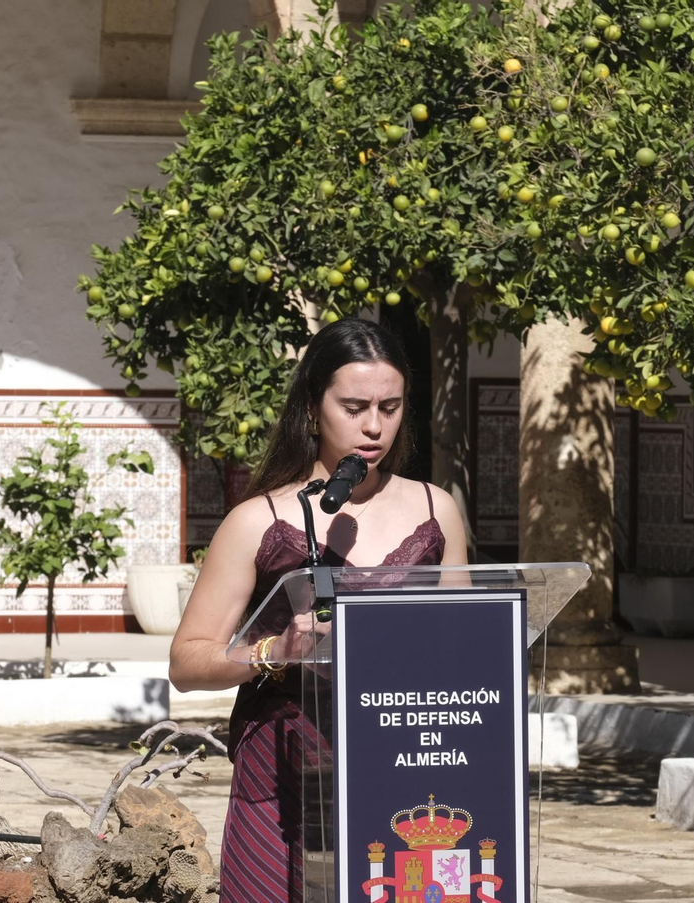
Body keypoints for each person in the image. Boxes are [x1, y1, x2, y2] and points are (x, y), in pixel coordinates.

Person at [169, 318, 468, 902]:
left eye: (390, 407)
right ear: (312, 408)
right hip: (282, 772)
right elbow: (185, 662)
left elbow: (465, 646)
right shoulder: (256, 521)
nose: (374, 426)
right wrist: (273, 651)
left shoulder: (437, 511)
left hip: (403, 761)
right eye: (354, 407)